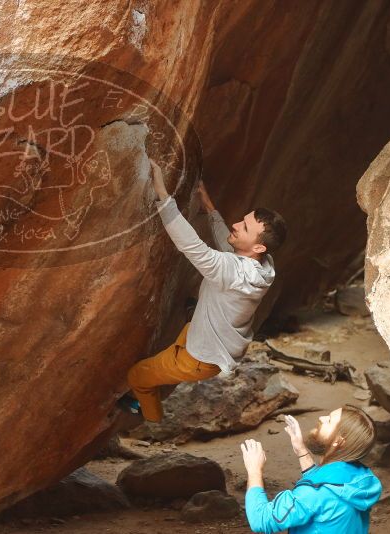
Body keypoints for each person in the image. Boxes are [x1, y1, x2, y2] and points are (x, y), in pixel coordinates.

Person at [123, 159, 287, 422]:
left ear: (258, 248)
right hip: (209, 341)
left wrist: (163, 195)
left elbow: (191, 246)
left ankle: (148, 417)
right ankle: (191, 320)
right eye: (242, 221)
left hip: (198, 359)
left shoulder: (233, 271)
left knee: (137, 376)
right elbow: (228, 246)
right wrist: (209, 207)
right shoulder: (264, 265)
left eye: (244, 227)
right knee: (191, 316)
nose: (236, 225)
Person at [241, 405, 382, 533]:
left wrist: (254, 470)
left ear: (339, 441)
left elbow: (261, 519)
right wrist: (301, 450)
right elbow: (325, 482)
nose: (322, 418)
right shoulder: (359, 478)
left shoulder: (314, 494)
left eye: (329, 421)